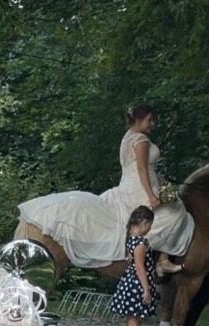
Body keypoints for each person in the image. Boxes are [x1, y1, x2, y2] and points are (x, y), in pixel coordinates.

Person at [17, 104, 193, 268]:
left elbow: (140, 166)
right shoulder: (141, 140)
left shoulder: (128, 137)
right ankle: (162, 260)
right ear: (138, 120)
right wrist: (151, 195)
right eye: (149, 120)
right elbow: (141, 168)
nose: (152, 124)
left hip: (127, 185)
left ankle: (155, 258)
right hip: (139, 188)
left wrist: (160, 180)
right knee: (175, 213)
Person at [111, 206, 159, 326]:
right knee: (134, 325)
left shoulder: (131, 239)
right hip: (136, 286)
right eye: (150, 224)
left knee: (130, 324)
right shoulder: (140, 243)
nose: (150, 228)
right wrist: (147, 290)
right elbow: (140, 268)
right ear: (144, 222)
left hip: (130, 284)